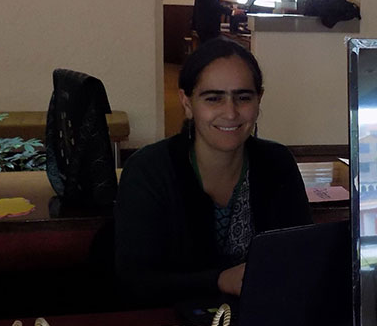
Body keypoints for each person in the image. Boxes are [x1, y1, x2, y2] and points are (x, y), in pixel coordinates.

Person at [115, 38, 311, 305]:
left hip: (262, 316)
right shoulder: (148, 170)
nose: (230, 113)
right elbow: (135, 280)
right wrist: (219, 280)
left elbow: (300, 256)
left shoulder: (277, 163)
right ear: (187, 103)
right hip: (173, 321)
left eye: (243, 98)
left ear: (259, 99)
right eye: (213, 98)